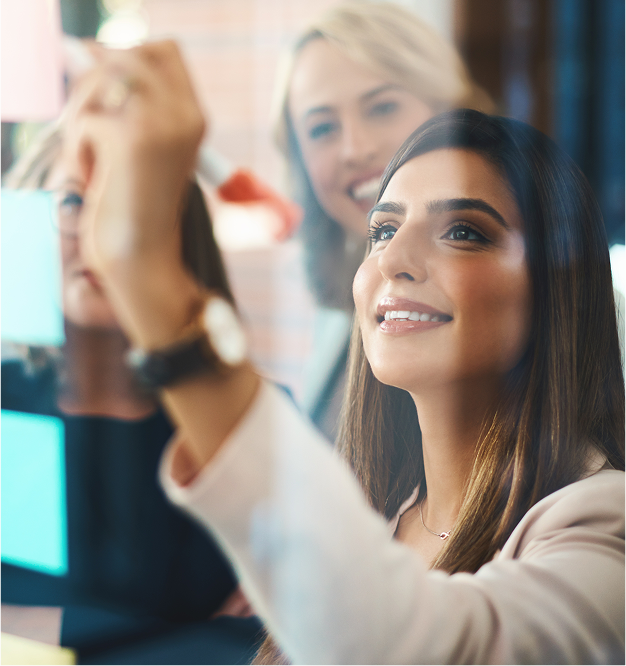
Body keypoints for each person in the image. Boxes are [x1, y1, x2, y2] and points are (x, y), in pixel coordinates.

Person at [61, 41, 626, 666]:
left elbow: (421, 647)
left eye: (463, 231)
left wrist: (148, 276)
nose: (391, 260)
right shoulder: (379, 516)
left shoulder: (604, 525)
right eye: (382, 230)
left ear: (559, 290)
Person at [0, 121, 262, 663]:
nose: (100, 232)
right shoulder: (9, 409)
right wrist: (181, 638)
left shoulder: (247, 420)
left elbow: (278, 635)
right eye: (73, 201)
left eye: (132, 202)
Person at [273, 0, 494, 437]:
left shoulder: (554, 303)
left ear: (451, 111)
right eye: (322, 128)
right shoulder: (347, 309)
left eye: (382, 108)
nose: (355, 149)